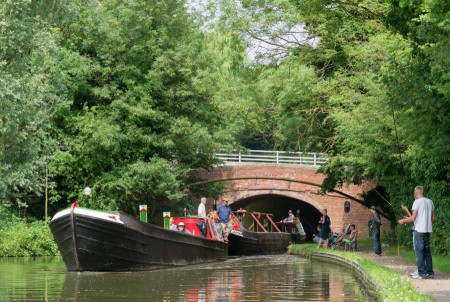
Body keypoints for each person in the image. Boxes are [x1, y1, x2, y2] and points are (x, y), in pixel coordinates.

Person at [398, 186, 435, 279]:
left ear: (416, 193)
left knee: (419, 252)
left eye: (414, 194)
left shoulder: (417, 202)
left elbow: (413, 218)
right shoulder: (430, 202)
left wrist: (403, 221)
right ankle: (429, 273)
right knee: (427, 252)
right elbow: (433, 219)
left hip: (418, 231)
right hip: (427, 230)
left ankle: (421, 273)